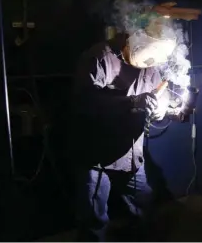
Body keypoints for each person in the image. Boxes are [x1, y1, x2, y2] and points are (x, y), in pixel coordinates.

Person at [68, 28, 172, 241]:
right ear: (132, 40)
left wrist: (160, 108)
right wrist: (132, 102)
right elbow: (84, 102)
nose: (148, 64)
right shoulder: (100, 58)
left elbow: (161, 93)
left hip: (129, 151)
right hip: (96, 154)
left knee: (143, 204)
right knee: (93, 219)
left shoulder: (151, 62)